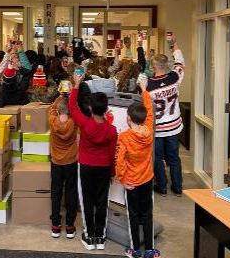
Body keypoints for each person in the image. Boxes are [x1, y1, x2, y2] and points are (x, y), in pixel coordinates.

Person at [69, 72, 118, 251]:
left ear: (90, 108)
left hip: (86, 166)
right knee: (102, 201)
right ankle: (100, 237)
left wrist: (76, 85)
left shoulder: (84, 124)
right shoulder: (112, 130)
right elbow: (112, 153)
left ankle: (89, 236)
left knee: (87, 201)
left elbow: (72, 107)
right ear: (105, 109)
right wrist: (112, 172)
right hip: (104, 167)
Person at [115, 75, 158, 258]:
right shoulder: (148, 130)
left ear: (129, 119)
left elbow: (119, 161)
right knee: (147, 215)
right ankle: (149, 250)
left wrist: (123, 179)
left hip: (131, 182)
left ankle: (135, 250)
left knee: (132, 215)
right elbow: (149, 111)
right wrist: (144, 89)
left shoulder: (124, 137)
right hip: (147, 179)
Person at [147, 43, 185, 196]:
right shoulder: (175, 77)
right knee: (174, 158)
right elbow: (180, 62)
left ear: (154, 67)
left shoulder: (148, 85)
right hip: (174, 126)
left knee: (157, 158)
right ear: (165, 65)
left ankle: (162, 186)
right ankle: (177, 186)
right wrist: (174, 45)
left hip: (157, 128)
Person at [48, 95, 79, 240]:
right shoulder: (74, 123)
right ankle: (70, 226)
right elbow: (76, 110)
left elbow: (52, 109)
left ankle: (55, 225)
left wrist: (59, 96)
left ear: (59, 111)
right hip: (71, 162)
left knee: (56, 193)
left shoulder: (52, 120)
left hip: (56, 163)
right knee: (71, 193)